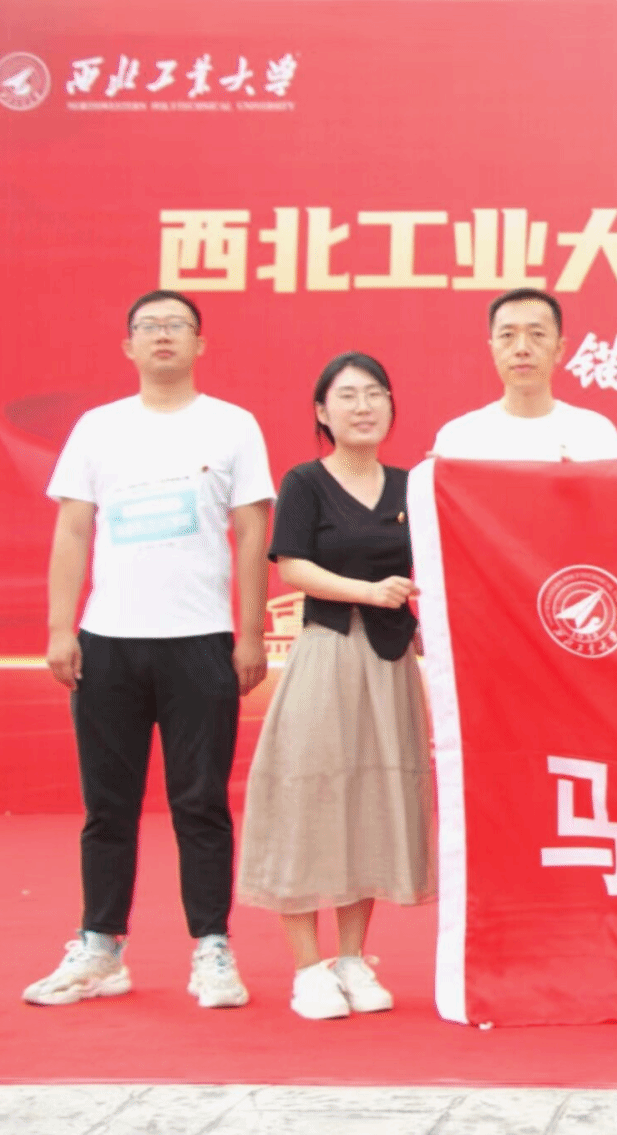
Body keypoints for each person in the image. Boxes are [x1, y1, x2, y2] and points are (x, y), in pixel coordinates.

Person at [25, 290, 272, 1009]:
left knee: (201, 803)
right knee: (108, 805)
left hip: (200, 641)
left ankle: (213, 947)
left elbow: (252, 533)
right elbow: (74, 528)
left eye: (177, 326)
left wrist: (250, 634)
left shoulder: (232, 425)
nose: (163, 336)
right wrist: (61, 628)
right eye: (149, 326)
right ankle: (100, 946)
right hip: (109, 642)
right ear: (128, 345)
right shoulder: (98, 428)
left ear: (201, 343)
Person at [237, 352, 435, 1020]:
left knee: (371, 801)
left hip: (391, 664)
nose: (363, 406)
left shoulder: (411, 486)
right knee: (308, 798)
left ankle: (352, 956)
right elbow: (292, 566)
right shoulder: (305, 482)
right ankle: (307, 967)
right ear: (323, 411)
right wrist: (369, 592)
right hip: (329, 653)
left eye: (375, 393)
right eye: (347, 396)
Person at [431, 288, 617, 461]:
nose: (522, 349)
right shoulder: (459, 439)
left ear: (559, 349)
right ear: (492, 349)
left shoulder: (595, 434)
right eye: (507, 335)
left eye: (537, 334)